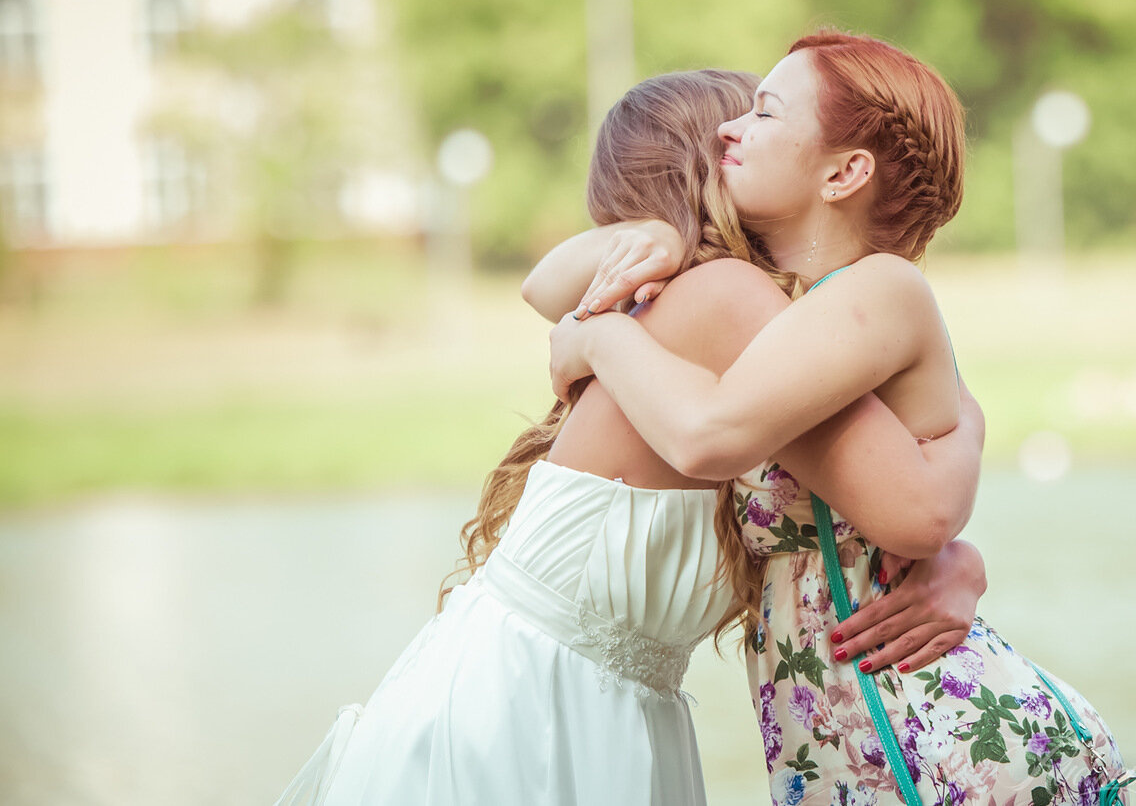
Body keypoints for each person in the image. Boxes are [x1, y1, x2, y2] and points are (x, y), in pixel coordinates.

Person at [274, 69, 989, 806]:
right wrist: (966, 430)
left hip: (578, 702)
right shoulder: (727, 301)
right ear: (710, 165)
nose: (745, 134)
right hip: (534, 711)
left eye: (765, 119)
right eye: (740, 123)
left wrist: (960, 559)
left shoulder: (700, 315)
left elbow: (848, 505)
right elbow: (910, 497)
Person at [545, 32, 1132, 805]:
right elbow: (544, 285)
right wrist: (646, 237)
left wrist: (593, 331)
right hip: (843, 758)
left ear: (847, 171)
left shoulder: (880, 289)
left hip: (942, 750)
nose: (731, 129)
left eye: (763, 111)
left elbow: (710, 436)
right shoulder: (777, 319)